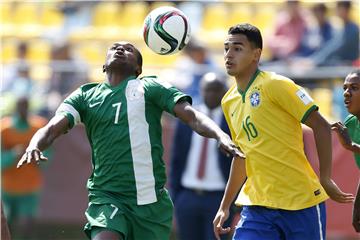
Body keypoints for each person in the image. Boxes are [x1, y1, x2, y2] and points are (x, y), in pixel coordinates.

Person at [17, 41, 242, 240]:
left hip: (150, 203)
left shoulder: (151, 87)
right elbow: (52, 128)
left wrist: (220, 134)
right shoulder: (84, 95)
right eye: (114, 47)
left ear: (138, 69)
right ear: (104, 65)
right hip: (107, 196)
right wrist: (35, 144)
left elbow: (191, 116)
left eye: (129, 49)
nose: (120, 49)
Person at [212, 23, 354, 240]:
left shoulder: (276, 85)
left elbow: (321, 125)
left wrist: (325, 178)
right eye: (226, 48)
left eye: (237, 48)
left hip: (300, 202)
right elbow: (241, 154)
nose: (229, 55)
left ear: (256, 54)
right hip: (257, 205)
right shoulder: (228, 101)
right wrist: (225, 206)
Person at [170, 72, 235, 240]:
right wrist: (177, 196)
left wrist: (233, 203)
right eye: (208, 90)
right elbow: (176, 158)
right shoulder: (188, 118)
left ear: (224, 92)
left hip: (219, 198)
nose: (211, 94)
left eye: (216, 90)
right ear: (201, 90)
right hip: (188, 195)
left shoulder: (232, 121)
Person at [1, 96, 48, 239]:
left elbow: (48, 157)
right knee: (5, 224)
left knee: (26, 224)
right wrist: (13, 154)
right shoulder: (4, 128)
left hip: (30, 187)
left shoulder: (38, 126)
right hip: (8, 188)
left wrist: (33, 156)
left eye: (25, 106)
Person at [331, 69, 360, 232]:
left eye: (354, 88)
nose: (347, 94)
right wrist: (357, 206)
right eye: (345, 88)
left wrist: (351, 147)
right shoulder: (351, 122)